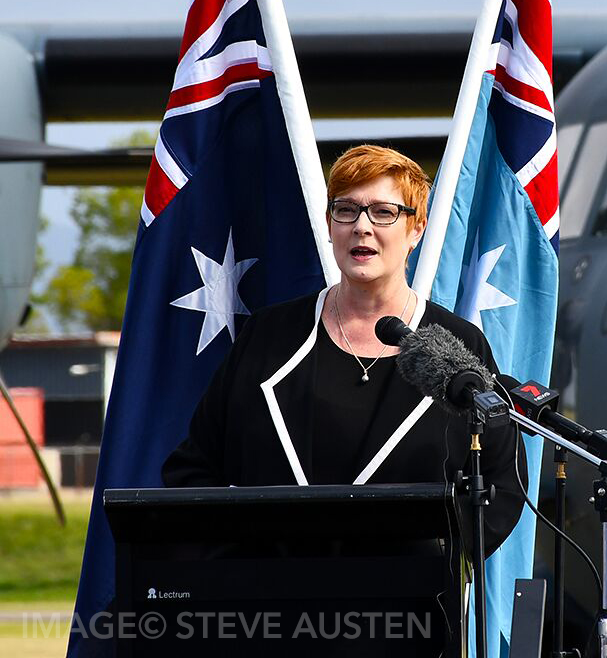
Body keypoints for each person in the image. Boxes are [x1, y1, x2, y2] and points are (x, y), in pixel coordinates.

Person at [162, 144, 525, 555]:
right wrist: (239, 562)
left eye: (384, 212)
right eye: (346, 210)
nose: (361, 227)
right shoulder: (267, 335)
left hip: (407, 609)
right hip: (270, 606)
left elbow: (501, 484)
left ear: (416, 229)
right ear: (330, 224)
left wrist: (436, 564)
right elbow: (192, 470)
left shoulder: (460, 343)